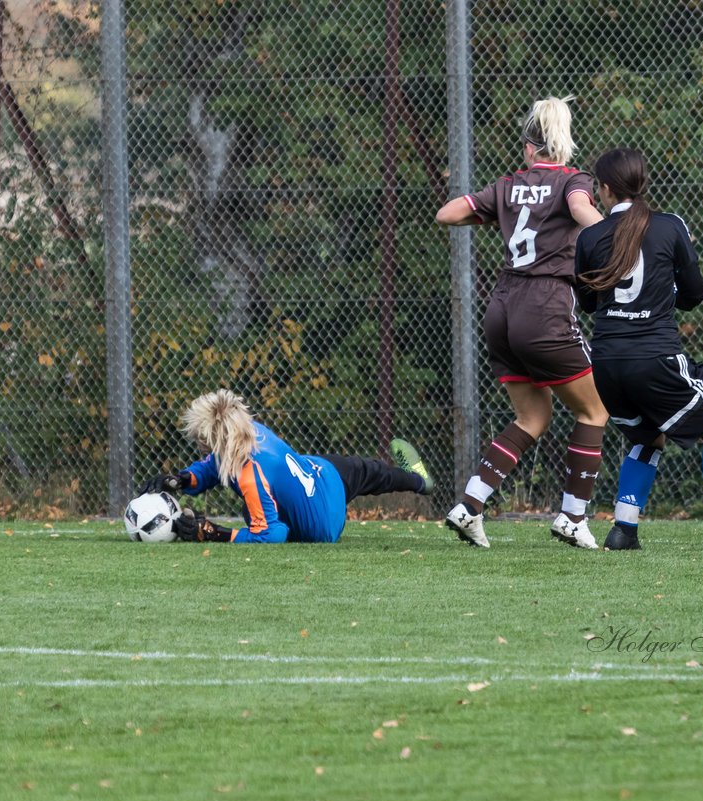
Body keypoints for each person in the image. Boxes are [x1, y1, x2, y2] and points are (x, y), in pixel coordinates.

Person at [573, 147, 703, 551]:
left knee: (646, 439)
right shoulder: (670, 226)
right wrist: (665, 294)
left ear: (604, 189)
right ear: (643, 183)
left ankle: (623, 529)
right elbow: (695, 294)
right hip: (656, 356)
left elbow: (591, 304)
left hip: (607, 364)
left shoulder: (589, 237)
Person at [435, 96, 609, 550]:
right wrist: (610, 233)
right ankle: (573, 516)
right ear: (561, 145)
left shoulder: (508, 185)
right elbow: (579, 209)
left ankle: (469, 506)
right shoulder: (575, 180)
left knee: (532, 417)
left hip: (502, 309)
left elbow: (448, 213)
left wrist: (493, 212)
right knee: (594, 410)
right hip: (546, 309)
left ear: (531, 148)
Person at [140, 389, 432, 544]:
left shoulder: (249, 476)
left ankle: (418, 479)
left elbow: (271, 534)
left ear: (213, 439)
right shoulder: (249, 430)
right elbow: (215, 464)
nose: (198, 444)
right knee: (369, 470)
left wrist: (214, 533)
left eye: (201, 440)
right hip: (322, 476)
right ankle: (418, 480)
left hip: (324, 527)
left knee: (254, 512)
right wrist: (182, 480)